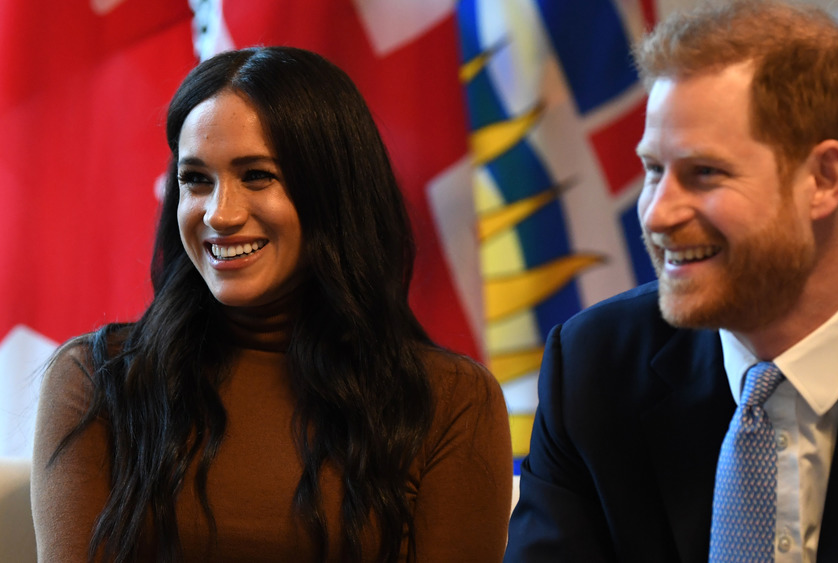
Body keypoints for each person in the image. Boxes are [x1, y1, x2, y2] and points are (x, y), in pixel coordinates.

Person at [505, 1, 838, 562]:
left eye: (705, 173)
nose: (657, 213)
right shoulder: (594, 368)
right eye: (652, 170)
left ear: (824, 178)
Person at [31, 46, 512, 562]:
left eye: (257, 175)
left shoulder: (450, 399)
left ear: (334, 192)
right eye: (196, 179)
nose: (219, 214)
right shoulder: (97, 380)